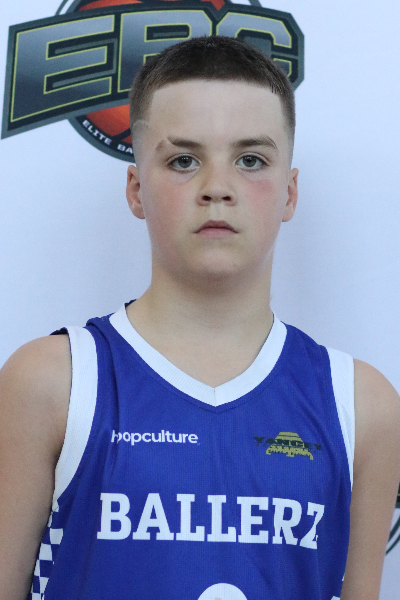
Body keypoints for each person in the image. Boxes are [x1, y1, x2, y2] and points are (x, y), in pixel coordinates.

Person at [0, 35, 399, 600]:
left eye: (250, 160)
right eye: (183, 161)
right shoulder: (51, 383)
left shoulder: (362, 405)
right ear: (136, 189)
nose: (217, 188)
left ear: (289, 193)